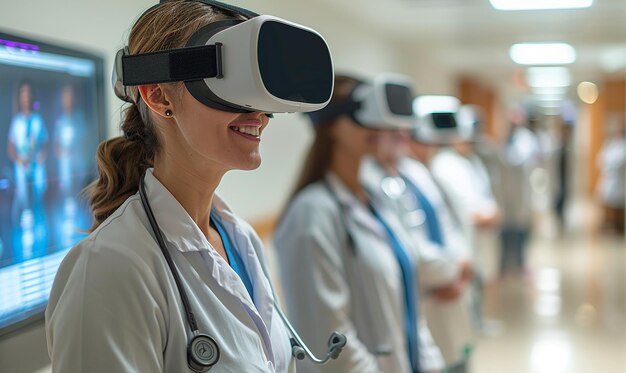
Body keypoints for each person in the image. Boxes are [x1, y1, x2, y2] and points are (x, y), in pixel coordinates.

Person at [45, 1, 334, 371]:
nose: (259, 114)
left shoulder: (241, 240)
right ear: (158, 96)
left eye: (261, 93)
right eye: (235, 86)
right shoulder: (109, 268)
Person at [274, 75, 444, 373]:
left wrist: (430, 362)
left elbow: (408, 301)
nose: (381, 129)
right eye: (366, 116)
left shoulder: (379, 197)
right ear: (334, 126)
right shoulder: (312, 214)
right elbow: (329, 341)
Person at [362, 127, 475, 373]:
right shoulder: (368, 179)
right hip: (427, 292)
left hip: (449, 284)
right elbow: (409, 249)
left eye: (406, 131)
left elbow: (447, 223)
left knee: (457, 358)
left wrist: (461, 264)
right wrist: (454, 268)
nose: (402, 137)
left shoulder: (415, 171)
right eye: (394, 131)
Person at [6, 79, 48, 262]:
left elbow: (45, 143)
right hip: (21, 170)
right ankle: (22, 241)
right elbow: (10, 147)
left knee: (38, 203)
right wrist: (18, 159)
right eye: (22, 94)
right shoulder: (16, 122)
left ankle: (40, 239)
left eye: (28, 94)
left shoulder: (37, 120)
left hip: (36, 169)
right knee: (22, 203)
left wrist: (40, 157)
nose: (26, 97)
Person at [596, 123, 626, 235]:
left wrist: (607, 163)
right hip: (608, 179)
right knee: (606, 202)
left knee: (618, 205)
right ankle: (608, 224)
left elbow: (619, 162)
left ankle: (618, 227)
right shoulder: (611, 144)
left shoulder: (623, 146)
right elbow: (600, 159)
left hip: (619, 181)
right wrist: (606, 163)